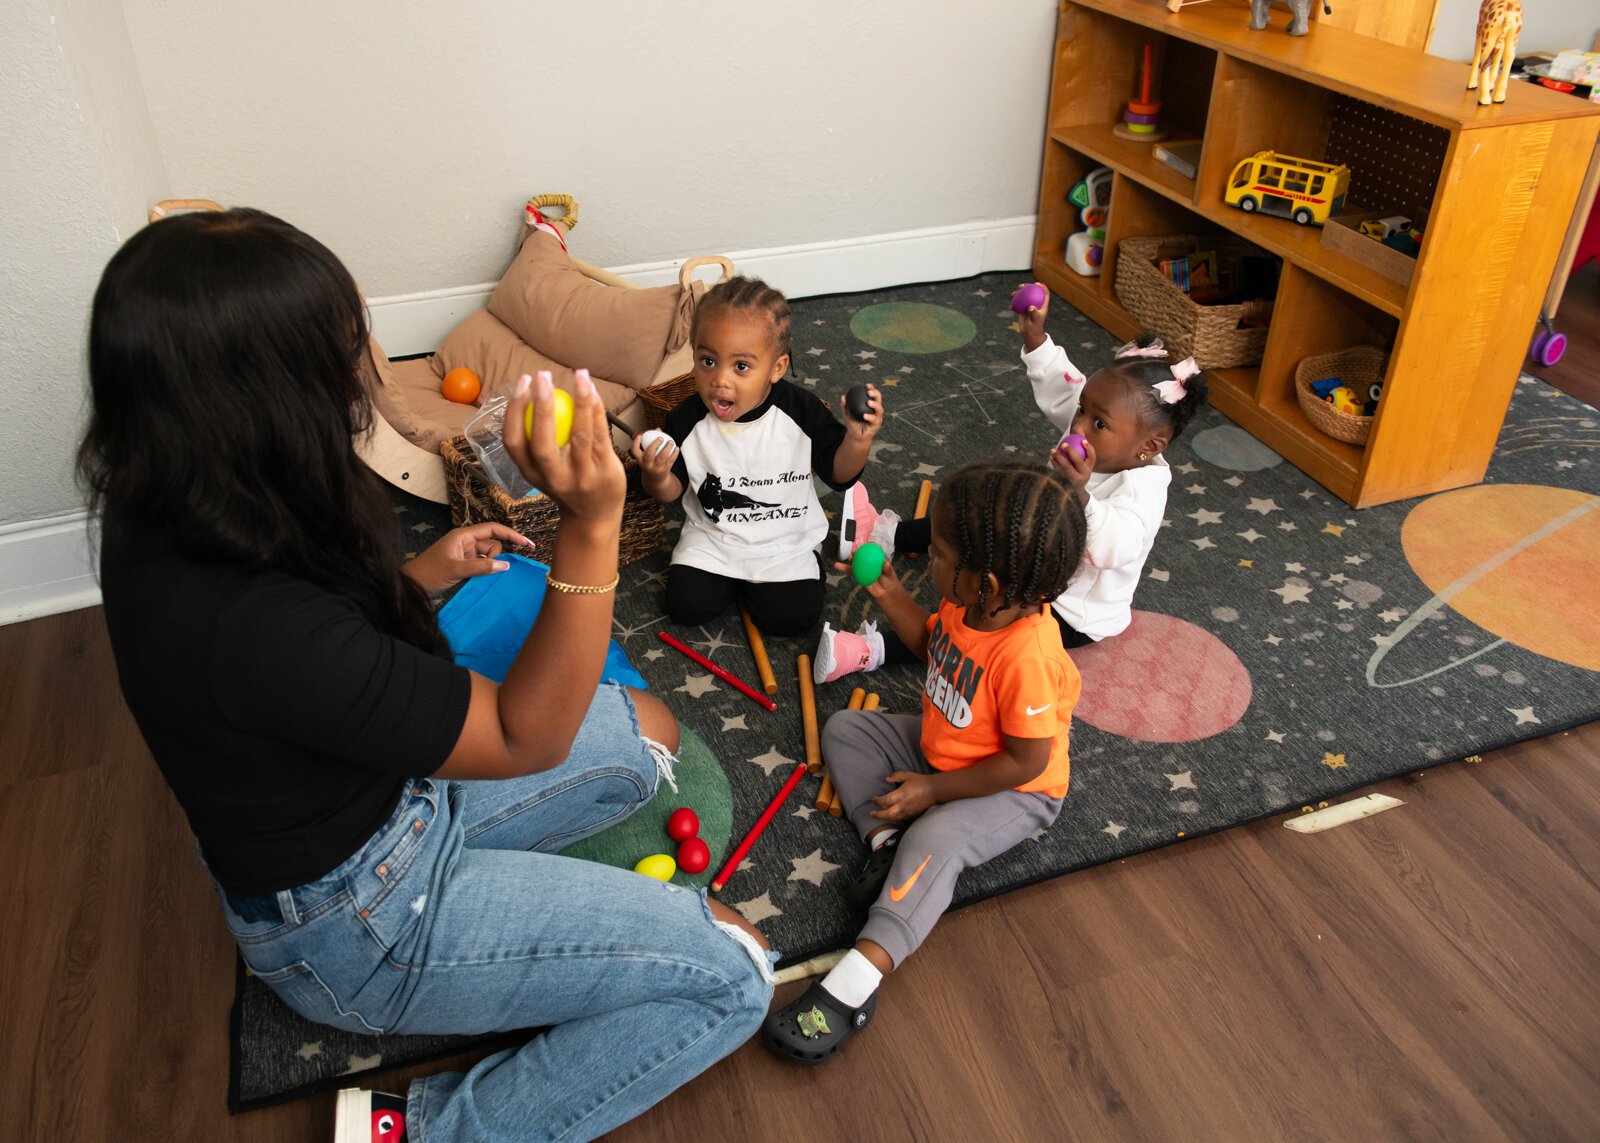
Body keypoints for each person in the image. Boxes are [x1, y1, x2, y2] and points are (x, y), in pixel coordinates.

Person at [80, 209, 774, 1143]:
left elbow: (300, 665)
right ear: (264, 399)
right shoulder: (255, 618)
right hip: (358, 921)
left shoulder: (167, 501)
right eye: (345, 350)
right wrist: (592, 527)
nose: (368, 364)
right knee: (736, 974)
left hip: (386, 801)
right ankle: (433, 1132)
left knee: (648, 731)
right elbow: (530, 734)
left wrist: (423, 574)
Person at [763, 461, 1086, 1064]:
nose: (927, 560)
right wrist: (890, 592)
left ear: (985, 583)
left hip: (1014, 789)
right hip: (946, 747)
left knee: (936, 839)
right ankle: (888, 847)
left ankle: (857, 981)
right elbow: (927, 646)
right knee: (847, 729)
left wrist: (933, 792)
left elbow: (1024, 761)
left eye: (937, 553)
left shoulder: (1029, 656)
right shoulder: (970, 606)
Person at [814, 284, 1208, 683]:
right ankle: (886, 535)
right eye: (1085, 410)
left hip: (1066, 608)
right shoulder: (1097, 433)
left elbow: (1116, 546)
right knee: (973, 510)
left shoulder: (1146, 486)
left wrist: (1079, 492)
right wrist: (1035, 337)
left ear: (1149, 447)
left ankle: (874, 651)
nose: (1079, 424)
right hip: (1029, 544)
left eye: (1097, 422)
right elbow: (1065, 386)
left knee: (983, 622)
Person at [634, 275, 884, 636]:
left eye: (741, 366)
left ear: (777, 368)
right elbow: (670, 492)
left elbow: (839, 474)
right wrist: (655, 475)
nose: (720, 380)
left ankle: (770, 584)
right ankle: (734, 583)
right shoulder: (686, 418)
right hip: (713, 539)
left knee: (792, 618)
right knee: (686, 607)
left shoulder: (801, 410)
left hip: (784, 542)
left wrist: (858, 441)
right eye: (707, 361)